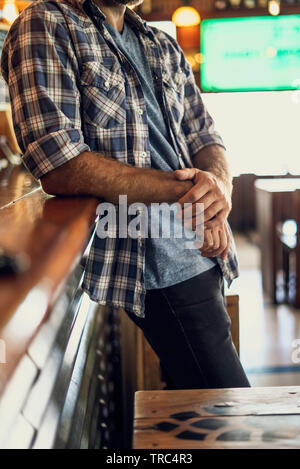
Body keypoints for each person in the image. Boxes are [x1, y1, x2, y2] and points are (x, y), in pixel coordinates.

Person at [1, 0, 250, 389]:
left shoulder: (159, 42)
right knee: (227, 408)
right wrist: (198, 194)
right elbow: (59, 163)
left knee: (199, 411)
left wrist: (218, 187)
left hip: (205, 249)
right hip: (154, 261)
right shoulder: (46, 22)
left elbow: (207, 136)